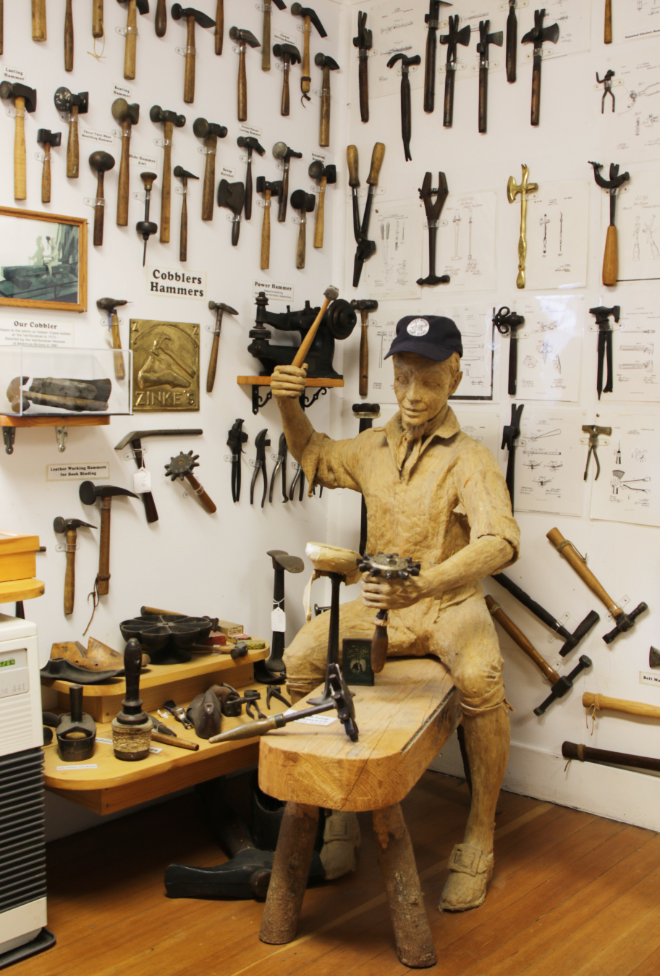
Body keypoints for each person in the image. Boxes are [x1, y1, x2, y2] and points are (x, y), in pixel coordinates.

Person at [270, 314, 520, 912]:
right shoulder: (373, 448)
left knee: (482, 680)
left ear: (455, 376)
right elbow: (315, 454)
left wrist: (427, 583)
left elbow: (501, 542)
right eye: (402, 378)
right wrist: (288, 405)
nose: (412, 396)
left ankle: (479, 835)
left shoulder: (471, 459)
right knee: (304, 658)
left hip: (447, 607)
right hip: (381, 609)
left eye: (428, 381)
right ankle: (336, 814)